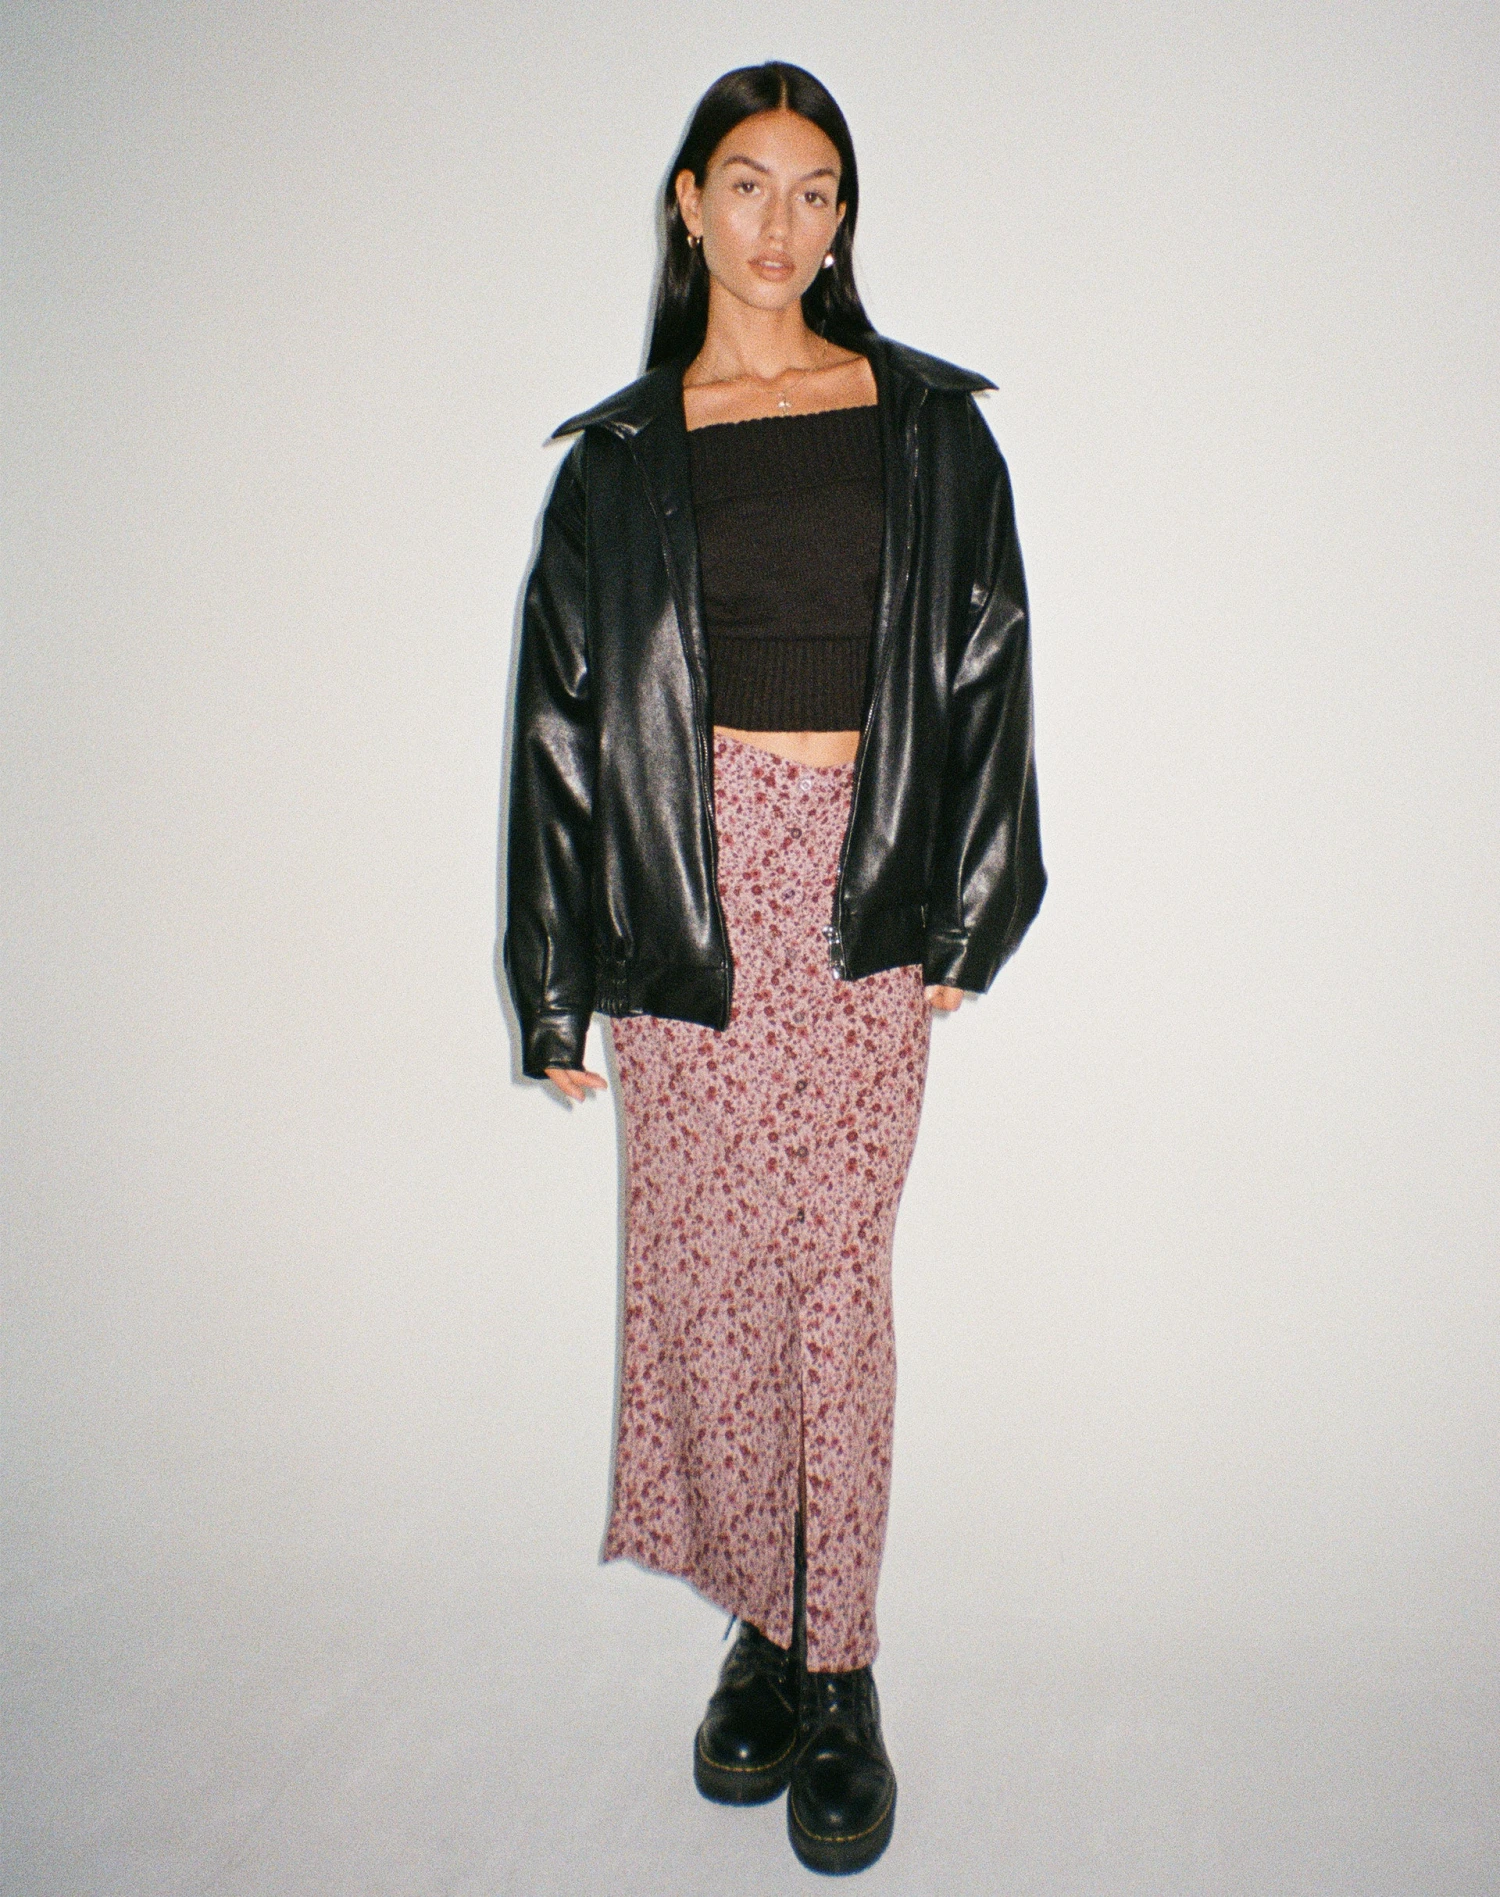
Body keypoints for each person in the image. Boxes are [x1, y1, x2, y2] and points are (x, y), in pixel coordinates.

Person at [502, 60, 1044, 1876]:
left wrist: (975, 902)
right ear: (689, 204)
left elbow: (988, 659)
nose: (780, 223)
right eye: (748, 183)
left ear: (842, 218)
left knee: (835, 1278)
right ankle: (762, 1622)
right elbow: (563, 725)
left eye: (816, 191)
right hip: (689, 894)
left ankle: (844, 1663)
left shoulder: (926, 429)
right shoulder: (623, 463)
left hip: (861, 889)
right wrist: (554, 976)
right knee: (716, 1278)